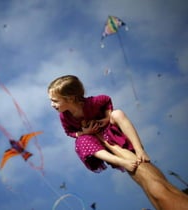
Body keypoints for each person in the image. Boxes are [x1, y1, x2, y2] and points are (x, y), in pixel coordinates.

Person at [47, 75, 188, 210]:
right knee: (80, 141)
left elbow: (106, 100)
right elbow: (69, 132)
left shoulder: (91, 102)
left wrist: (107, 118)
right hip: (92, 137)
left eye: (55, 100)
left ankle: (139, 149)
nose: (52, 104)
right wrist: (84, 133)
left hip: (109, 128)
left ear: (70, 98)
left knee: (118, 113)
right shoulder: (64, 117)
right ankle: (120, 161)